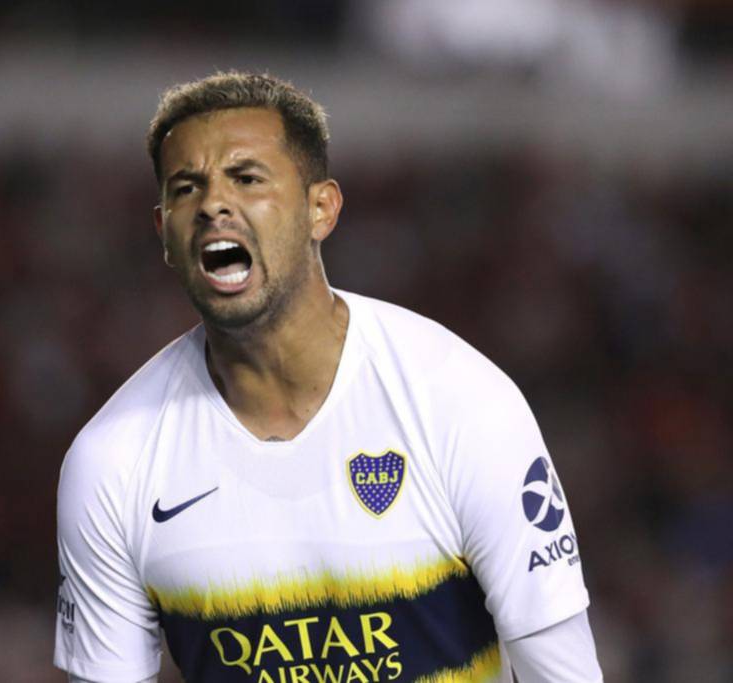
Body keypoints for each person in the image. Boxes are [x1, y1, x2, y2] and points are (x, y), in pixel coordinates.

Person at [54, 72, 602, 683]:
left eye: (246, 178)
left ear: (321, 209)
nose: (212, 205)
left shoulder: (460, 402)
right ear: (164, 232)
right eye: (187, 188)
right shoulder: (113, 464)